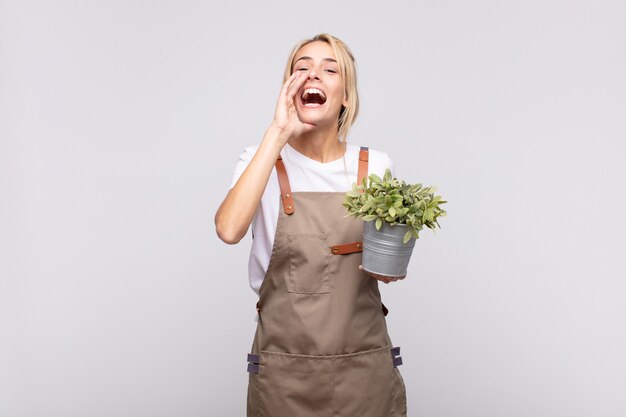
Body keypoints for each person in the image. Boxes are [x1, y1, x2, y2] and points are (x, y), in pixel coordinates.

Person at [215, 33, 407, 417]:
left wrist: (390, 261)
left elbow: (387, 268)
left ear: (346, 96)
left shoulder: (377, 166)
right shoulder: (259, 159)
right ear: (289, 87)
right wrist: (277, 133)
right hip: (283, 378)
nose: (313, 75)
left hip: (363, 373)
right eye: (301, 68)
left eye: (329, 69)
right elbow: (229, 230)